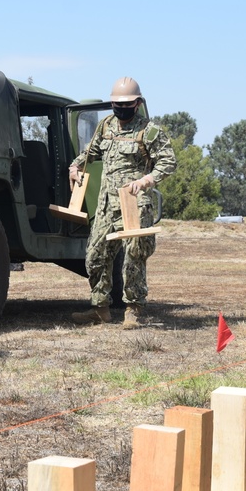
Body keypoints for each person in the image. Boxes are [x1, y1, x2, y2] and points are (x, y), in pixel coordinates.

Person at [67, 77, 176, 328]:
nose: (121, 108)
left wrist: (147, 180)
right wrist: (75, 165)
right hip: (106, 205)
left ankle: (133, 310)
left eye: (126, 104)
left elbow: (168, 162)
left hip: (135, 204)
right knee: (94, 256)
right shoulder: (106, 125)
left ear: (137, 104)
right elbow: (91, 152)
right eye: (116, 104)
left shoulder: (149, 131)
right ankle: (100, 309)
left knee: (133, 258)